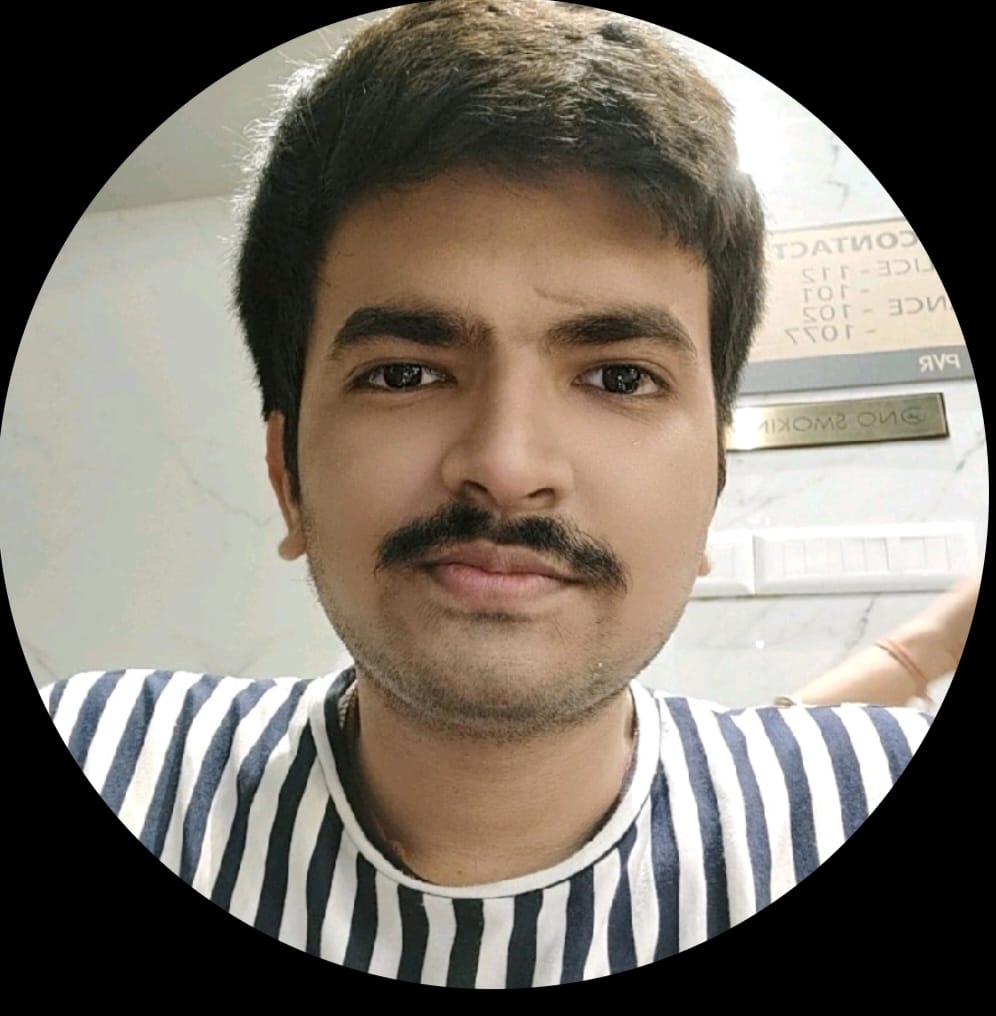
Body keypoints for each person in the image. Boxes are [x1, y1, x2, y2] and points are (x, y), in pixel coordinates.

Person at [38, 0, 966, 987]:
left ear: (713, 490)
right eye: (405, 372)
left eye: (619, 377)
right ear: (287, 477)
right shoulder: (108, 758)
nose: (509, 464)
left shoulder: (863, 789)